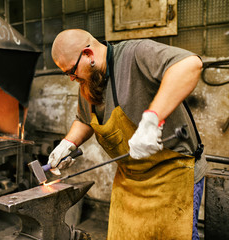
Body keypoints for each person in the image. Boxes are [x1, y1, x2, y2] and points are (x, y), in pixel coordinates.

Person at [47, 29, 208, 240]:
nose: (71, 78)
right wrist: (67, 144)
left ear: (88, 54)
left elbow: (190, 64)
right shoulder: (88, 81)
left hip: (173, 176)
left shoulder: (136, 54)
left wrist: (153, 119)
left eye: (72, 71)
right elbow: (85, 119)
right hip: (130, 181)